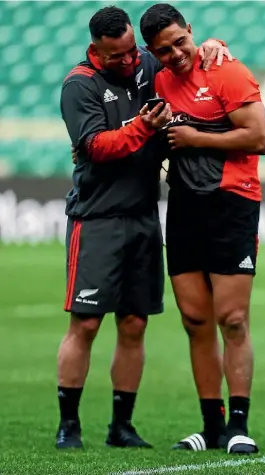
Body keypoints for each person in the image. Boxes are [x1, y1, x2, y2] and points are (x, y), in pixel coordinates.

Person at [57, 5, 230, 449]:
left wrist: (213, 46)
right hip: (96, 217)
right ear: (97, 50)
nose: (130, 60)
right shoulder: (79, 86)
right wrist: (140, 128)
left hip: (144, 216)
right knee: (87, 324)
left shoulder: (146, 62)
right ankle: (69, 425)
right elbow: (95, 146)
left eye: (133, 51)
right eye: (118, 56)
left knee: (134, 323)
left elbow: (185, 59)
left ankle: (122, 426)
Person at [139, 4, 265, 454]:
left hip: (231, 203)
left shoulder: (225, 69)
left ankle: (239, 424)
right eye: (164, 49)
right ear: (151, 52)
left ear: (191, 31)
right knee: (195, 320)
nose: (175, 53)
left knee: (232, 319)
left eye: (180, 41)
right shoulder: (155, 78)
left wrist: (197, 138)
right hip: (185, 206)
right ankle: (211, 426)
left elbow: (260, 138)